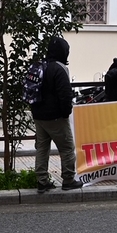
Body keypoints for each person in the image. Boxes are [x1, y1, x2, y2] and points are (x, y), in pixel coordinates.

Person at [31, 36, 82, 193]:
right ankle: (68, 179)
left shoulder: (40, 66)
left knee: (42, 148)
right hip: (55, 116)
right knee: (67, 148)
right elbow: (65, 94)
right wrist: (66, 113)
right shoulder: (60, 69)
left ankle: (42, 181)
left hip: (38, 115)